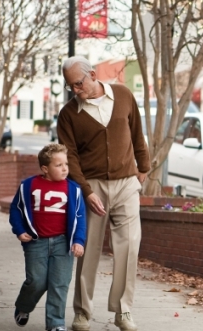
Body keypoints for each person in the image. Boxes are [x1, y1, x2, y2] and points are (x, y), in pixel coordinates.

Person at [58, 56, 150, 331]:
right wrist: (86, 191)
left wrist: (142, 168)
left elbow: (137, 134)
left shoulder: (122, 95)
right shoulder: (69, 114)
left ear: (94, 75)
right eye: (70, 86)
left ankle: (123, 310)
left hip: (125, 184)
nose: (75, 90)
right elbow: (70, 157)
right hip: (92, 187)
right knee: (87, 251)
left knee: (129, 246)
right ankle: (83, 312)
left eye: (78, 83)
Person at [9, 143, 87, 331]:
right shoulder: (28, 186)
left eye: (65, 164)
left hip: (63, 243)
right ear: (45, 168)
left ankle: (55, 324)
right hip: (36, 243)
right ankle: (24, 306)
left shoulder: (73, 189)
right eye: (58, 165)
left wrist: (78, 240)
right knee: (36, 281)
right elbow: (15, 210)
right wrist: (19, 230)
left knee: (59, 284)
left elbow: (80, 217)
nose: (64, 168)